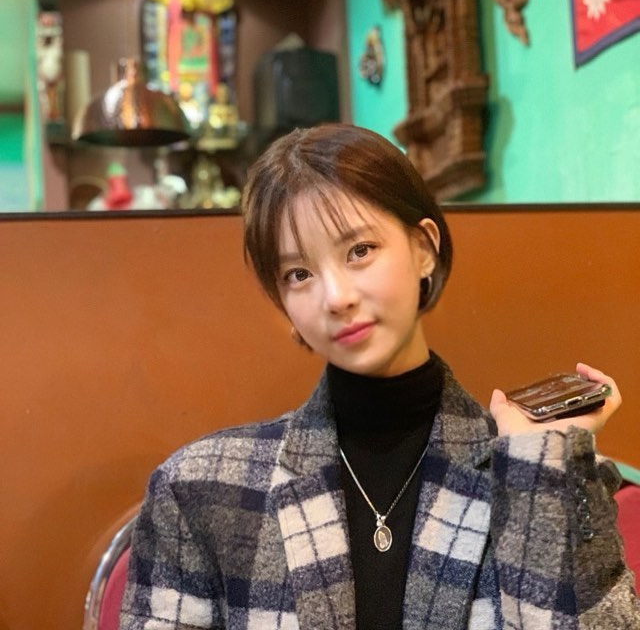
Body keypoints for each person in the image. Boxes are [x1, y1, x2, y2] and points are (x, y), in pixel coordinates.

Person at [119, 123, 639, 629]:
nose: (336, 297)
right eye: (299, 274)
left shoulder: (526, 472)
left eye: (359, 251)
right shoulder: (201, 489)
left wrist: (539, 467)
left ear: (424, 249)